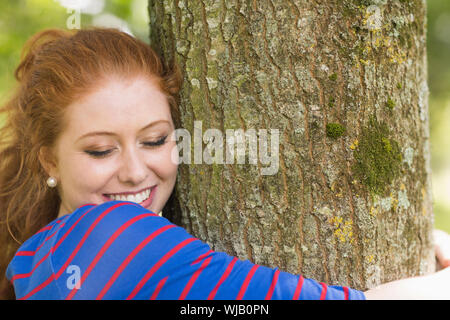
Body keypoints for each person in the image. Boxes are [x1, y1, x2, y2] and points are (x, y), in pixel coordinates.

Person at [0, 28, 449, 300]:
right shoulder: (117, 238)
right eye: (101, 150)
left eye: (155, 140)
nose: (136, 172)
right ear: (48, 159)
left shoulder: (32, 263)